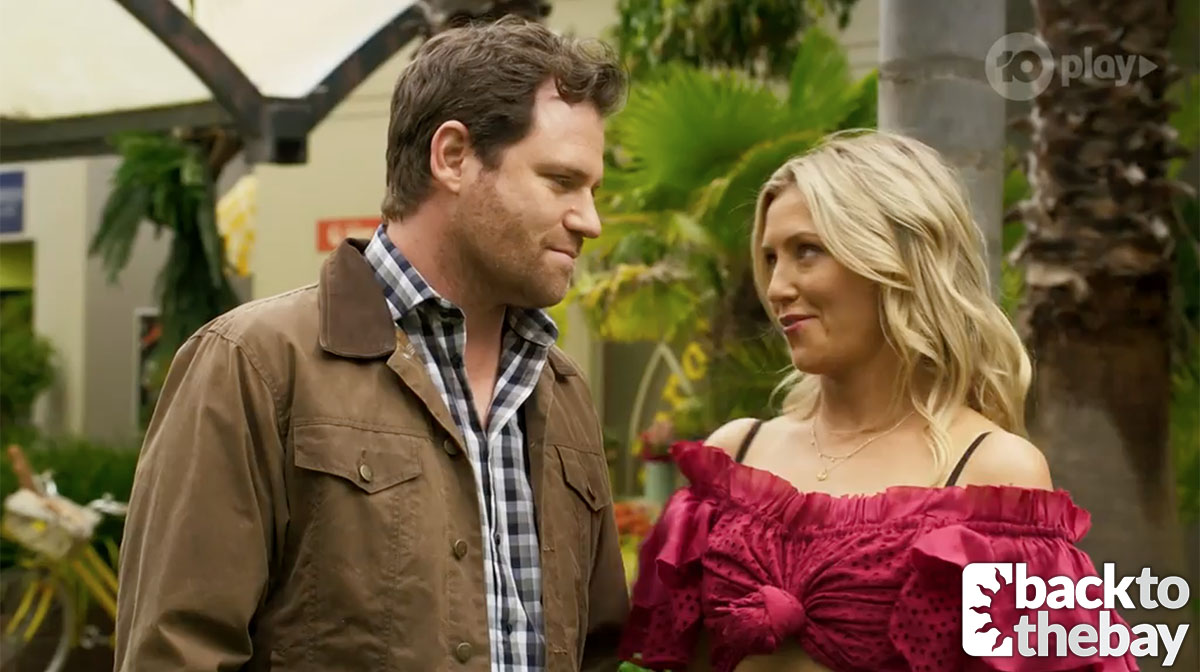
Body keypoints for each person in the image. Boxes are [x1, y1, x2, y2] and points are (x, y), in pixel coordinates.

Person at [115, 16, 629, 672]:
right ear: (453, 157)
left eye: (593, 189)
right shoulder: (253, 365)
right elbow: (176, 653)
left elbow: (598, 651)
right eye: (561, 181)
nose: (591, 220)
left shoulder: (563, 391)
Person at [618, 131, 1138, 671]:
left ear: (897, 261)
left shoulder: (993, 472)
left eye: (806, 251)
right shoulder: (734, 456)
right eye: (771, 258)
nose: (776, 287)